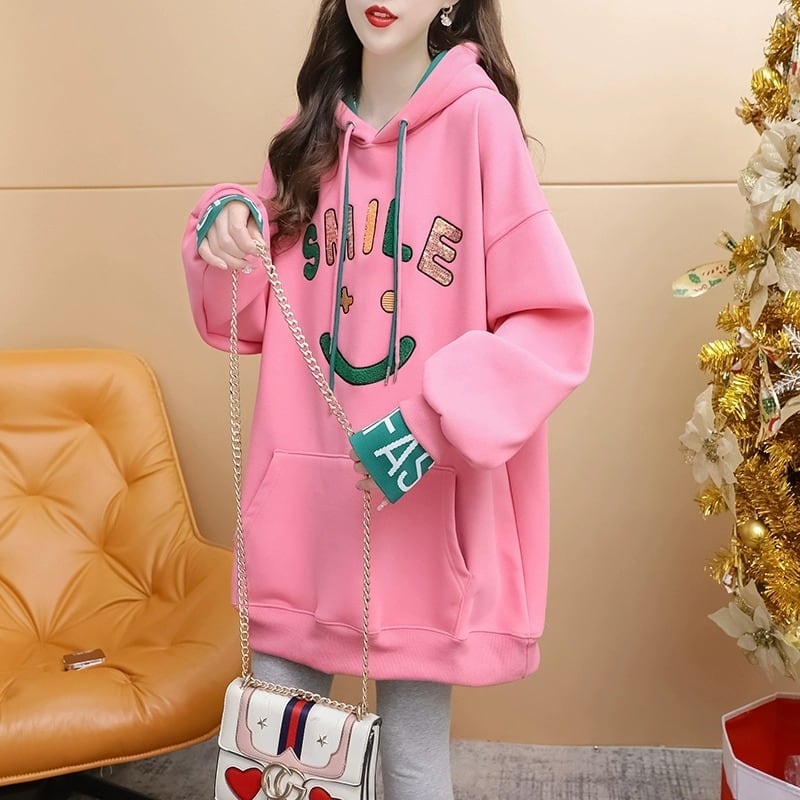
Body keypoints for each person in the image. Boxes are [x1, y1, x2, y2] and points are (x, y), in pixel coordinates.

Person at [181, 1, 593, 797]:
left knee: (412, 767)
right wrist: (224, 224)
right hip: (301, 516)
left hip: (417, 517)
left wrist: (427, 428)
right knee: (276, 767)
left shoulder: (478, 125)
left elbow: (552, 325)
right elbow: (247, 316)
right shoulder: (304, 138)